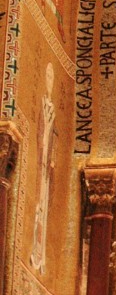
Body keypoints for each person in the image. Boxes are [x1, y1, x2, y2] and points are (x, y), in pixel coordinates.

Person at [30, 61, 56, 275]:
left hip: (47, 166)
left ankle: (42, 255)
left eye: (51, 78)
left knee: (44, 207)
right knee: (38, 205)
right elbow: (41, 133)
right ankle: (34, 250)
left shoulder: (53, 109)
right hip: (40, 161)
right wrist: (46, 134)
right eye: (47, 77)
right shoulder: (42, 104)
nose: (49, 82)